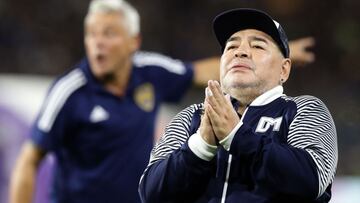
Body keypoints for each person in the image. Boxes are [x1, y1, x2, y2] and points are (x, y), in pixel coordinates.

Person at [9, 0, 317, 202]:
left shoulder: (151, 71)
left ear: (133, 42)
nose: (97, 43)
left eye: (109, 33)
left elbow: (198, 71)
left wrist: (263, 60)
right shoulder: (70, 90)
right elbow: (28, 160)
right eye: (92, 34)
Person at [139, 8, 338, 203]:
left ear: (284, 69)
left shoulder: (304, 109)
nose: (240, 52)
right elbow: (150, 193)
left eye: (258, 46)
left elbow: (311, 181)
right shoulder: (191, 117)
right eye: (231, 47)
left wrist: (237, 137)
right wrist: (201, 147)